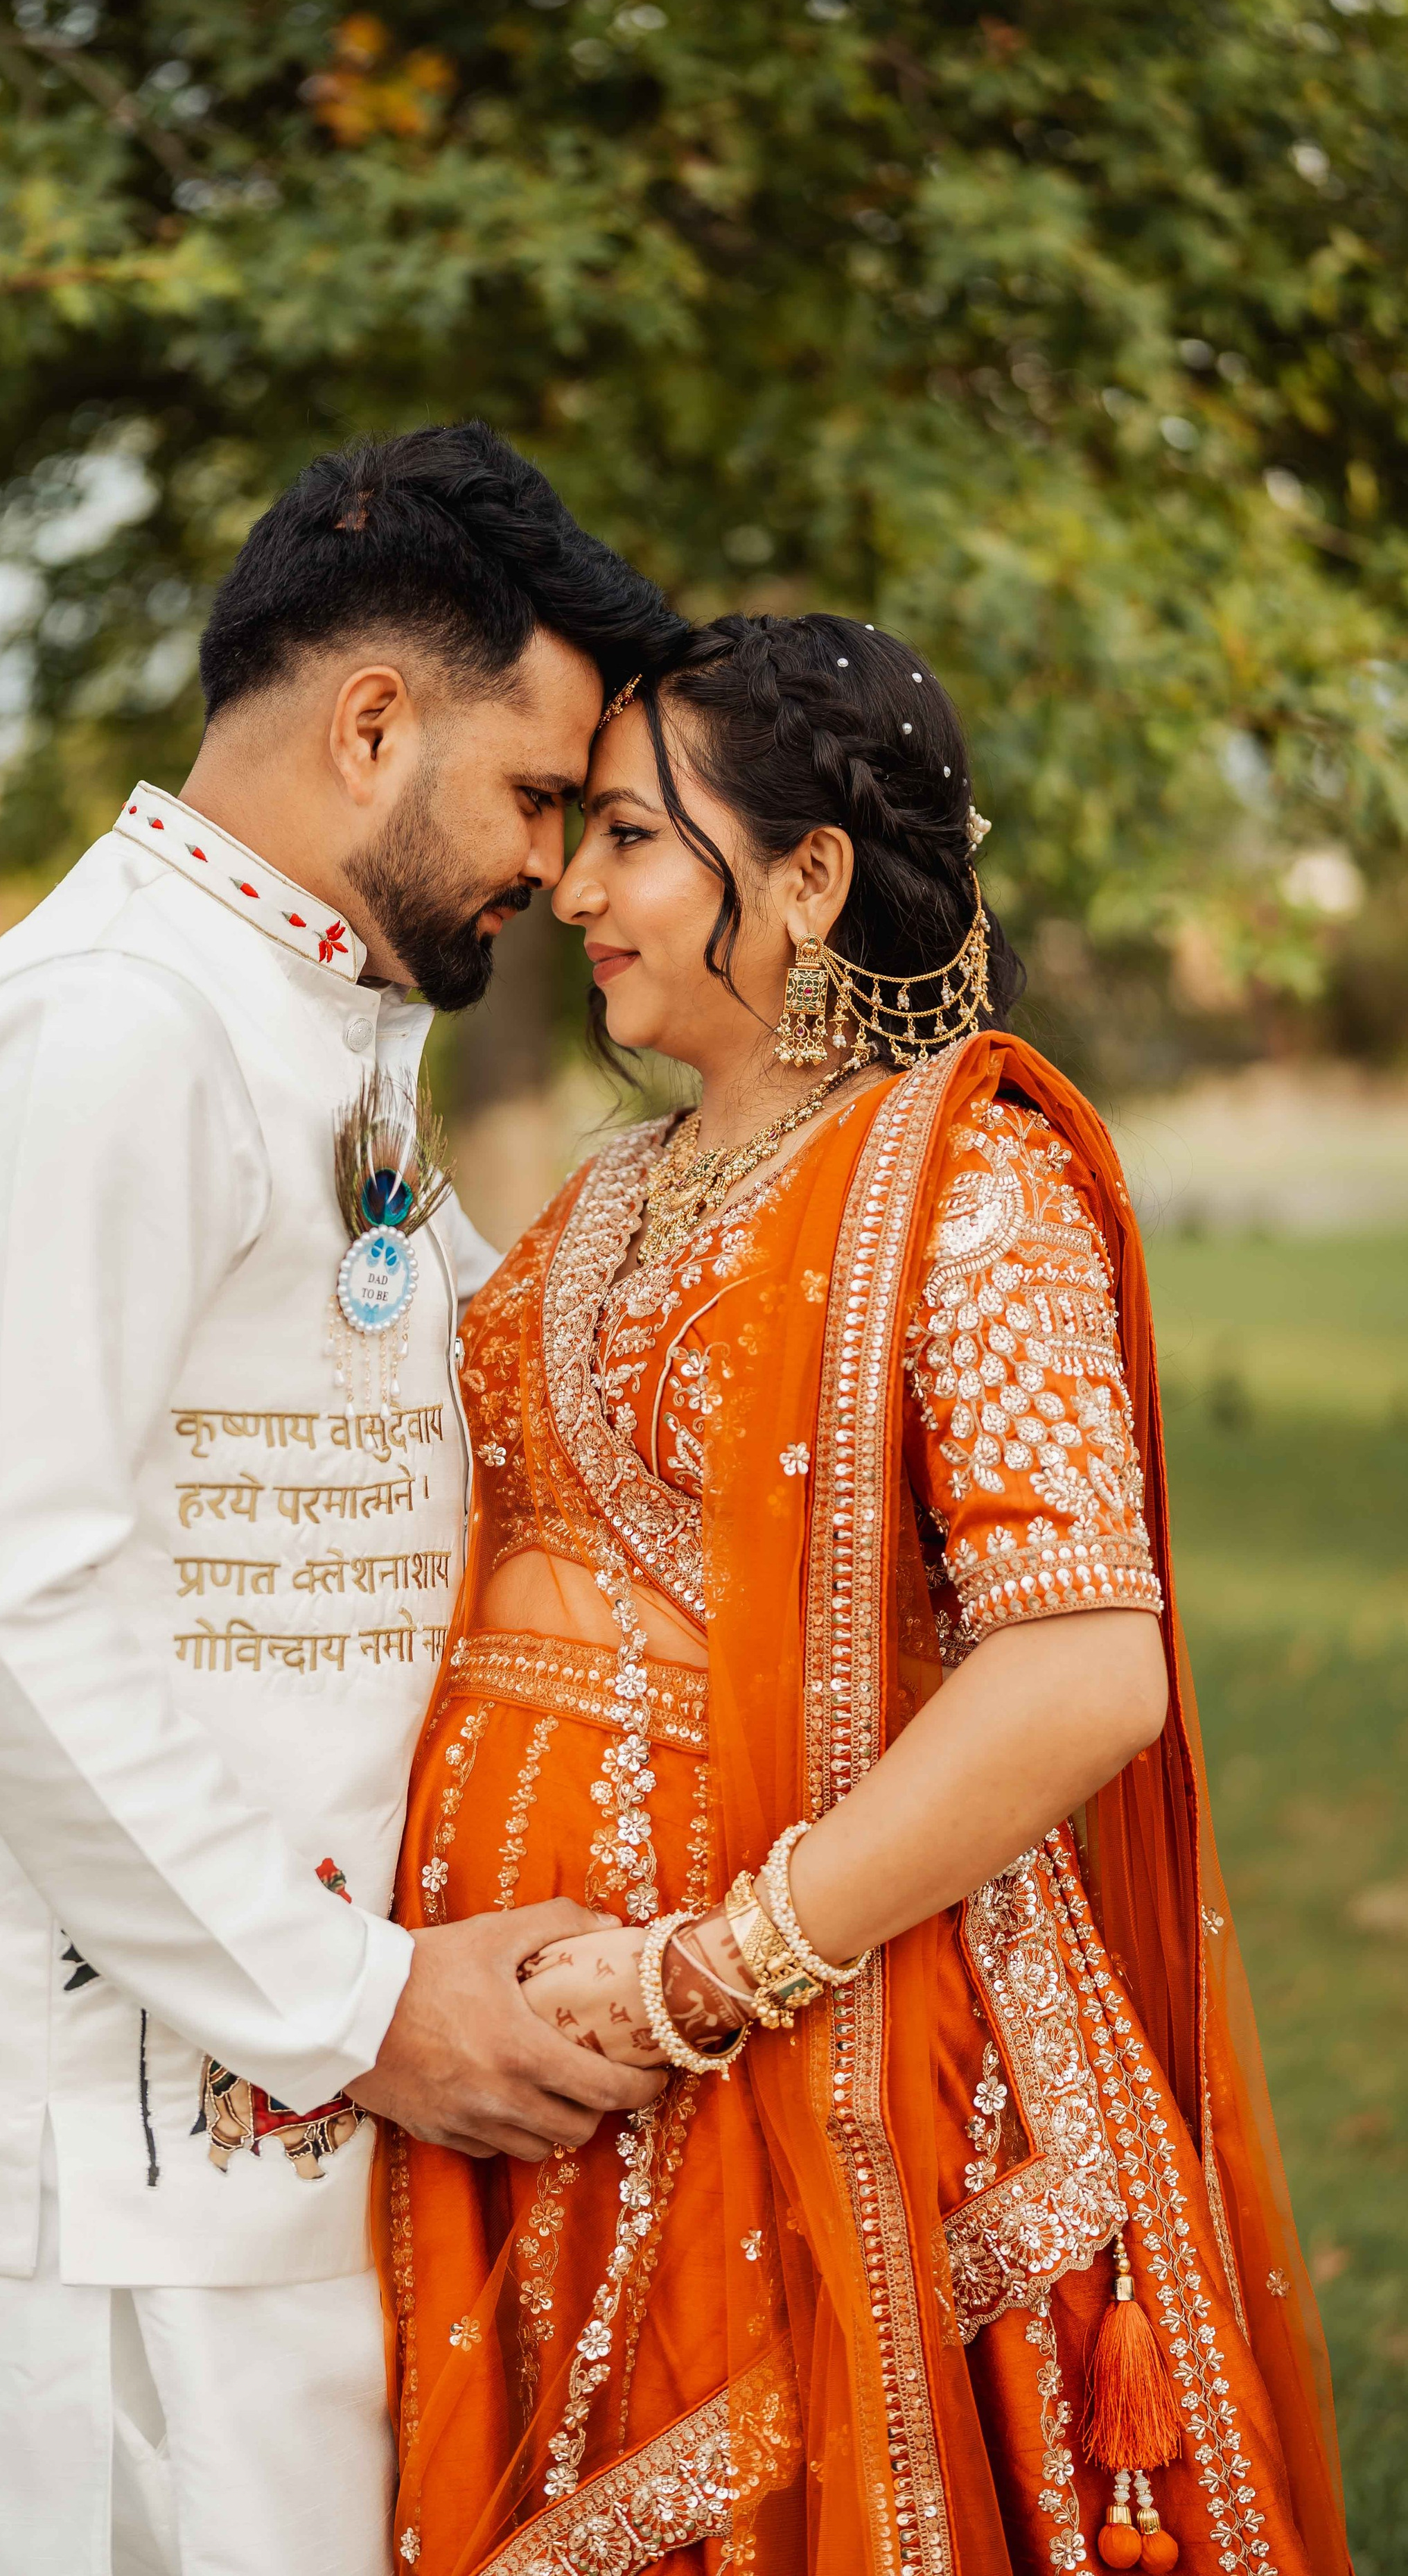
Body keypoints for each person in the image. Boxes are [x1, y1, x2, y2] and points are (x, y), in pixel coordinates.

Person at [383, 615, 1350, 2576]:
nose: (576, 885)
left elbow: (1086, 1676)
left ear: (809, 875)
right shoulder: (613, 1182)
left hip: (809, 2054)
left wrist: (702, 1977)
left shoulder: (975, 1186)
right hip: (538, 2069)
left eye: (637, 839)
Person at [0, 422, 683, 2576]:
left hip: (275, 2104)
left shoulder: (309, 1026)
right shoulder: (110, 1027)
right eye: (540, 796)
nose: (561, 874)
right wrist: (370, 2007)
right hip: (73, 2185)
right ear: (372, 719)